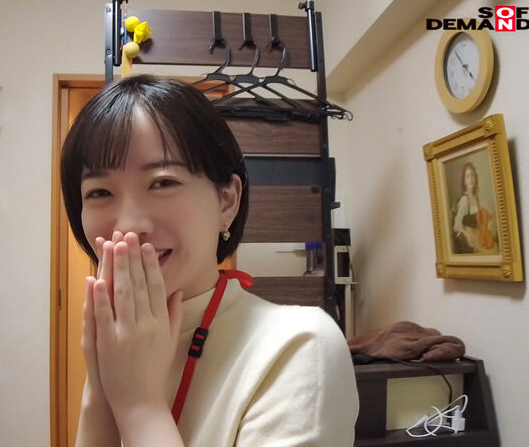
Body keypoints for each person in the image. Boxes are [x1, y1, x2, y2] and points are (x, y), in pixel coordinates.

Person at [60, 75, 358, 446]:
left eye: (163, 182)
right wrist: (100, 385)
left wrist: (139, 404)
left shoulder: (299, 346)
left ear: (227, 201)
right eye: (100, 192)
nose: (130, 226)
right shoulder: (117, 342)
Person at [452, 162, 496, 254]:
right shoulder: (464, 200)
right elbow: (456, 225)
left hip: (479, 232)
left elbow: (488, 213)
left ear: (475, 178)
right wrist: (467, 236)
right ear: (464, 181)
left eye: (472, 175)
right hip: (471, 234)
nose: (471, 179)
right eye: (467, 177)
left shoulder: (475, 197)